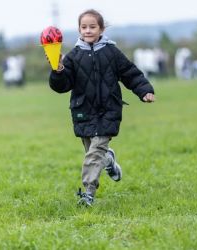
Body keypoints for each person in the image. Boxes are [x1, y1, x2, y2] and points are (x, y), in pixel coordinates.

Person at [48, 9, 155, 206]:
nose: (88, 30)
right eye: (84, 27)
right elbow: (61, 86)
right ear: (79, 29)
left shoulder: (112, 52)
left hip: (108, 110)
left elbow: (130, 73)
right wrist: (58, 69)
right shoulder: (72, 57)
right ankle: (109, 160)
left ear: (101, 29)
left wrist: (144, 90)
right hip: (83, 111)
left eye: (92, 26)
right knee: (93, 152)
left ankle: (88, 193)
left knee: (94, 154)